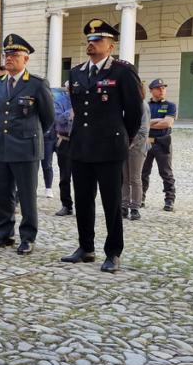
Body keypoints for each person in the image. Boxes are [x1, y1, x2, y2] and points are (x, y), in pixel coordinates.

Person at [61, 19, 143, 273]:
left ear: (110, 45)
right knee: (83, 199)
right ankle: (85, 247)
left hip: (109, 147)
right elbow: (77, 107)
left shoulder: (122, 71)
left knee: (111, 202)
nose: (91, 44)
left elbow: (134, 111)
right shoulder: (76, 73)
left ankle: (113, 251)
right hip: (82, 146)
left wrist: (123, 137)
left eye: (97, 40)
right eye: (89, 40)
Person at [0, 35, 55, 256]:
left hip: (26, 148)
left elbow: (48, 118)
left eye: (14, 55)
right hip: (1, 146)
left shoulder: (36, 84)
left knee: (26, 195)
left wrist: (30, 136)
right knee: (3, 193)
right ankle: (4, 233)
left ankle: (27, 237)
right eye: (7, 54)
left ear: (25, 59)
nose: (9, 58)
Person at [141, 78, 176, 212]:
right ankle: (141, 198)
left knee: (166, 173)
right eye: (158, 88)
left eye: (163, 88)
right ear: (151, 90)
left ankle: (169, 200)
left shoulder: (170, 105)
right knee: (143, 172)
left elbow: (167, 123)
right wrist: (156, 121)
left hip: (162, 142)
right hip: (146, 142)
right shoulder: (145, 105)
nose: (162, 90)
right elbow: (140, 123)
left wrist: (148, 122)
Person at [120, 77, 148, 221]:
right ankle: (124, 205)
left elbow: (143, 130)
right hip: (125, 146)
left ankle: (135, 207)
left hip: (137, 147)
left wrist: (130, 143)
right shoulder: (126, 105)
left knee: (135, 178)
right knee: (125, 177)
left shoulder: (142, 105)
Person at [52, 83, 74, 217]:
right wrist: (70, 113)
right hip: (65, 140)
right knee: (65, 176)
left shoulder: (85, 99)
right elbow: (57, 119)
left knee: (83, 177)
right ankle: (66, 205)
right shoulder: (59, 101)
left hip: (81, 141)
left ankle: (84, 205)